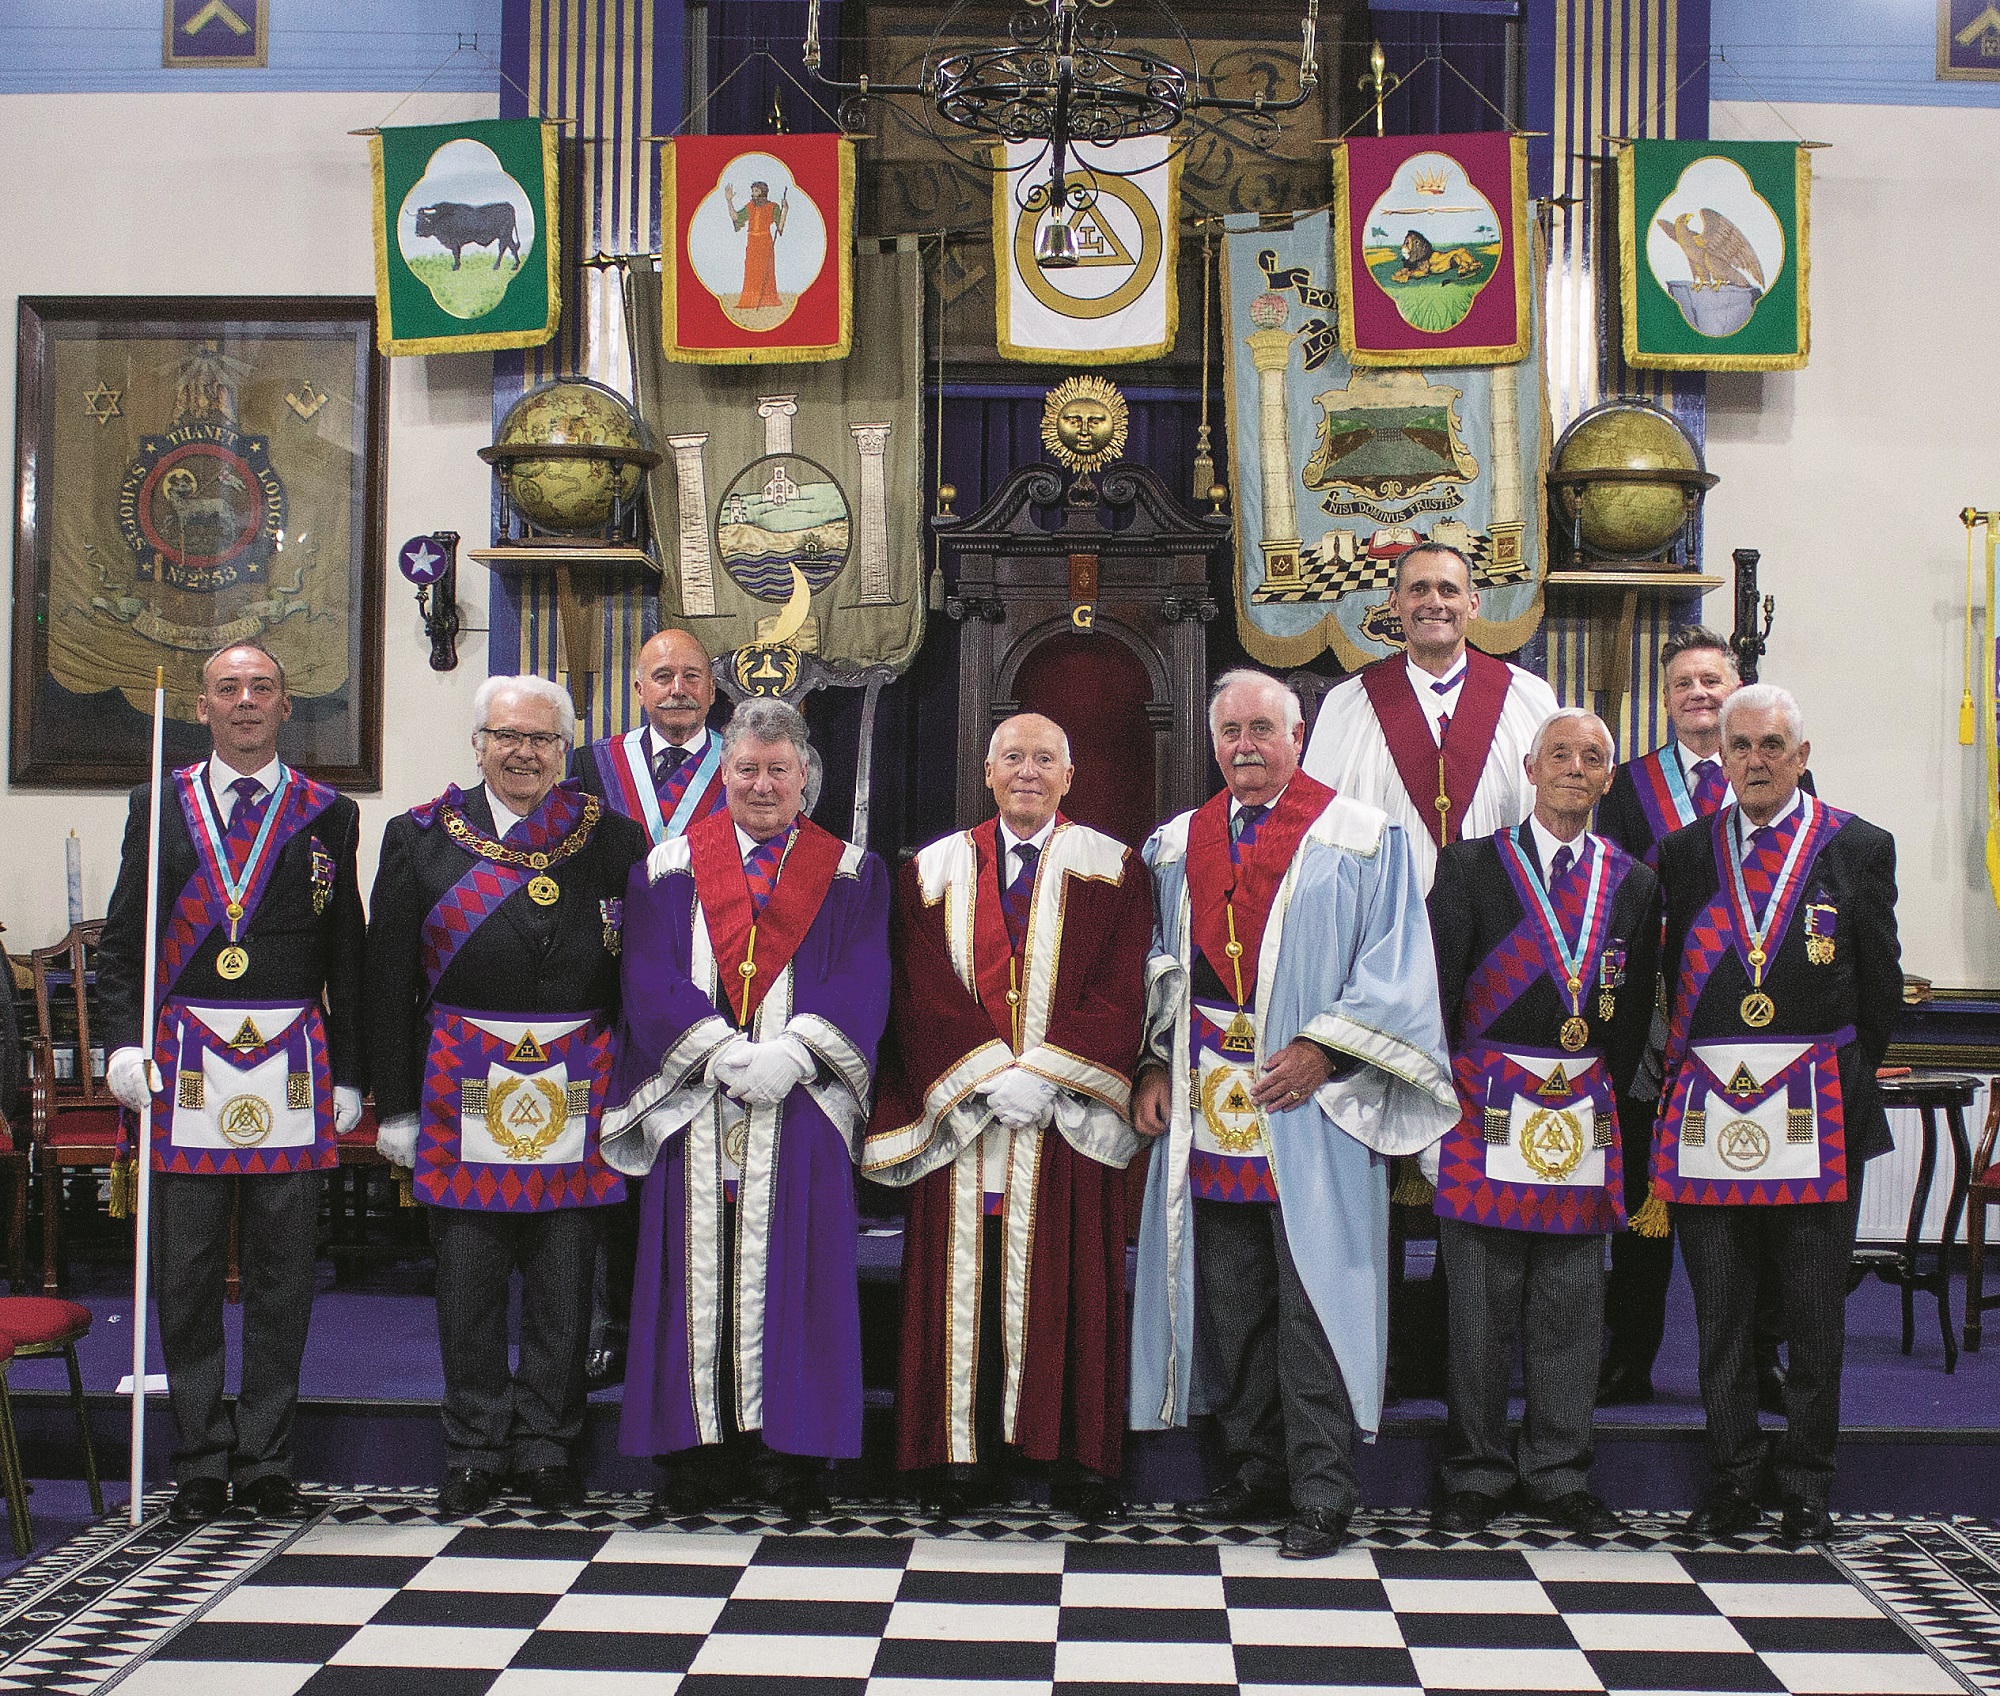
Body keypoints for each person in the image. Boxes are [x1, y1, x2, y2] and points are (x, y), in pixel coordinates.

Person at [1129, 669, 1457, 1558]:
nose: (1245, 745)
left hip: (1314, 1106)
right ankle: (1253, 1468)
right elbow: (1157, 966)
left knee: (1315, 1300)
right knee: (1231, 1301)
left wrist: (1324, 1050)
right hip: (1211, 1113)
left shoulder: (1362, 838)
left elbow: (1395, 967)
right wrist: (1157, 1061)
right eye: (1230, 730)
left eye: (1262, 729)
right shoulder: (1173, 844)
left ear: (1298, 734)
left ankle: (1322, 1490)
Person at [366, 675, 647, 1516]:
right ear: (478, 744)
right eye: (507, 737)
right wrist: (396, 1108)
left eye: (542, 740)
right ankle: (475, 1448)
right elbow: (385, 984)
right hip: (458, 1086)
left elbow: (637, 978)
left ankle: (547, 1445)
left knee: (567, 1281)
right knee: (469, 1282)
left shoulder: (614, 839)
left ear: (566, 751)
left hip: (578, 1086)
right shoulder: (416, 839)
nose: (523, 753)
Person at [603, 698, 890, 1518]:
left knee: (800, 1271)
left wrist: (795, 1053)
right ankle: (697, 1452)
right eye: (746, 770)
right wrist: (720, 1051)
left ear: (807, 777)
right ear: (721, 775)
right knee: (689, 1273)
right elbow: (649, 976)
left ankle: (789, 1454)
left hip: (800, 1102)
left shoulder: (850, 872)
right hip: (697, 1101)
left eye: (778, 770)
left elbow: (865, 975)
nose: (762, 785)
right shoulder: (666, 868)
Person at [99, 643, 365, 1523]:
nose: (246, 701)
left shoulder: (326, 814)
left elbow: (348, 954)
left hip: (290, 1061)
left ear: (287, 707)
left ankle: (267, 1459)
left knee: (287, 1273)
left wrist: (354, 1072)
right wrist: (118, 1047)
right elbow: (125, 942)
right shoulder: (159, 804)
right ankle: (202, 1457)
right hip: (184, 1065)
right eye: (228, 689)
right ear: (203, 709)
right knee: (187, 1271)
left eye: (262, 688)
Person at [865, 713, 1153, 1518]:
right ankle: (959, 1453)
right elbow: (917, 987)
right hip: (965, 1113)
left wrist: (1047, 1077)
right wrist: (991, 1076)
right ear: (987, 773)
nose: (1028, 771)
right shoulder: (931, 869)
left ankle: (1074, 1455)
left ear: (1071, 777)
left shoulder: (1116, 868)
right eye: (1013, 757)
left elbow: (1122, 984)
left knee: (1074, 1280)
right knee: (960, 1282)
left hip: (1063, 1116)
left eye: (1045, 759)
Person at [1646, 683, 1900, 1544]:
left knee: (1811, 1313)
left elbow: (1880, 991)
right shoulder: (1684, 853)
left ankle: (1806, 1483)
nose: (1755, 760)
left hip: (1817, 1116)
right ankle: (1732, 1476)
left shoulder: (1856, 846)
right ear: (1720, 756)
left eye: (1772, 745)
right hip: (1709, 1116)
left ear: (1800, 754)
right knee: (1720, 1312)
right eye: (1740, 745)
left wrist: (1834, 1075)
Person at [1424, 708, 1660, 1535]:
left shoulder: (1633, 883)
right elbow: (1438, 997)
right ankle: (1477, 1471)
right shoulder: (1470, 868)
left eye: (1592, 757)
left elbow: (1630, 1015)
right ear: (1529, 768)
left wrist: (1601, 1099)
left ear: (1605, 778)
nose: (1575, 767)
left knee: (1569, 1304)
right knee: (1480, 1309)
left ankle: (1560, 1471)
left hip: (1580, 1115)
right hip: (1484, 1109)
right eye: (1559, 753)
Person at [1595, 627, 1801, 1410]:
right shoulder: (1628, 787)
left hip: (1757, 1025)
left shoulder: (1777, 774)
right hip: (1658, 1022)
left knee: (1758, 1205)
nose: (1699, 696)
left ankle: (1761, 1359)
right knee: (1647, 1197)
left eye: (1712, 680)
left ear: (1737, 683)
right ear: (1666, 698)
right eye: (1684, 684)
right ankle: (1629, 1356)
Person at [571, 627, 726, 1390]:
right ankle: (614, 1322)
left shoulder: (749, 766)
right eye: (661, 676)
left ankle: (708, 1320)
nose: (677, 689)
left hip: (713, 992)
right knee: (618, 1156)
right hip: (606, 990)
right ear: (638, 688)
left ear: (712, 688)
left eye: (691, 676)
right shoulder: (590, 767)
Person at [1301, 542, 1559, 891]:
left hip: (1503, 922)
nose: (1434, 602)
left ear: (1473, 604)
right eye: (1418, 589)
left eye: (1448, 590)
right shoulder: (1347, 705)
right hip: (1388, 921)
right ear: (1394, 603)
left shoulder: (1528, 698)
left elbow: (1555, 822)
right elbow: (1320, 831)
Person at [724, 179, 788, 312]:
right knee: (752, 270)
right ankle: (750, 300)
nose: (753, 194)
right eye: (752, 191)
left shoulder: (773, 207)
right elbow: (736, 217)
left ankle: (767, 300)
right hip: (752, 243)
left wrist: (785, 210)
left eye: (756, 191)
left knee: (766, 271)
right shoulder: (750, 206)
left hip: (765, 243)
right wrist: (729, 201)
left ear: (763, 192)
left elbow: (780, 227)